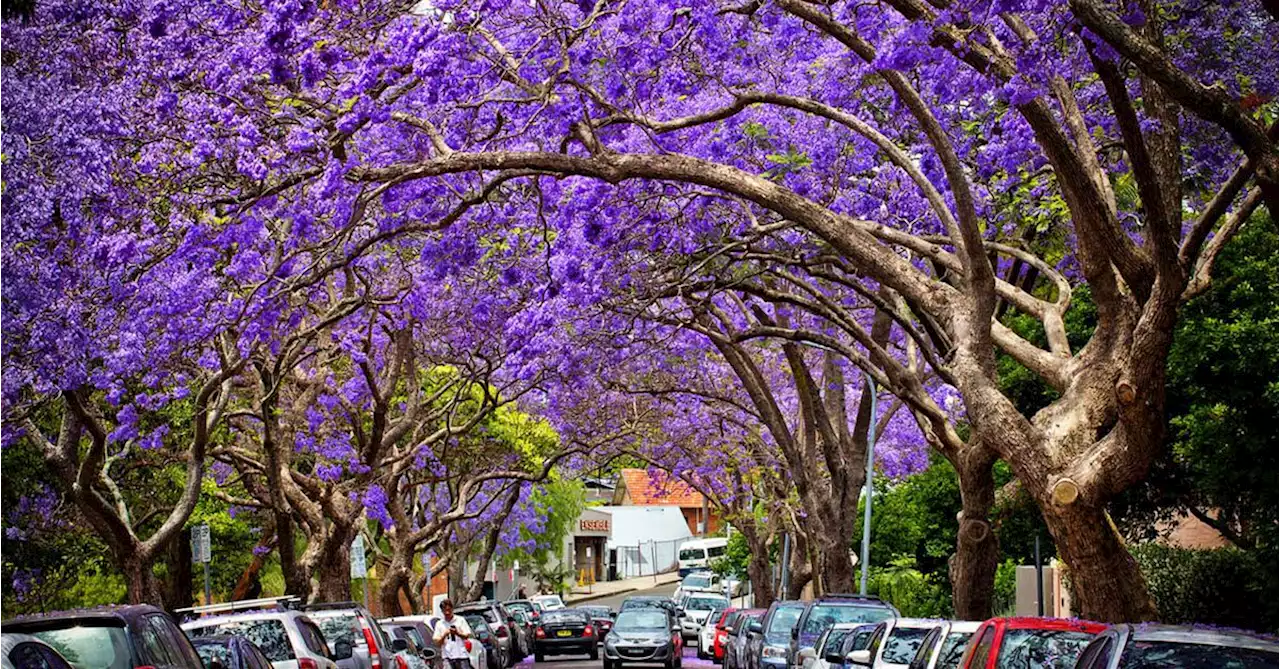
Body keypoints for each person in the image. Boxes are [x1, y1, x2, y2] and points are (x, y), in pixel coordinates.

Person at [433, 599, 473, 669]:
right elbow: (437, 642)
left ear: (452, 609)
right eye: (444, 610)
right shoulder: (439, 624)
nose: (447, 612)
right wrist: (444, 635)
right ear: (442, 611)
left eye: (449, 610)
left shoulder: (460, 620)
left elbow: (467, 635)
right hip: (447, 657)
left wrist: (457, 633)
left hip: (461, 655)